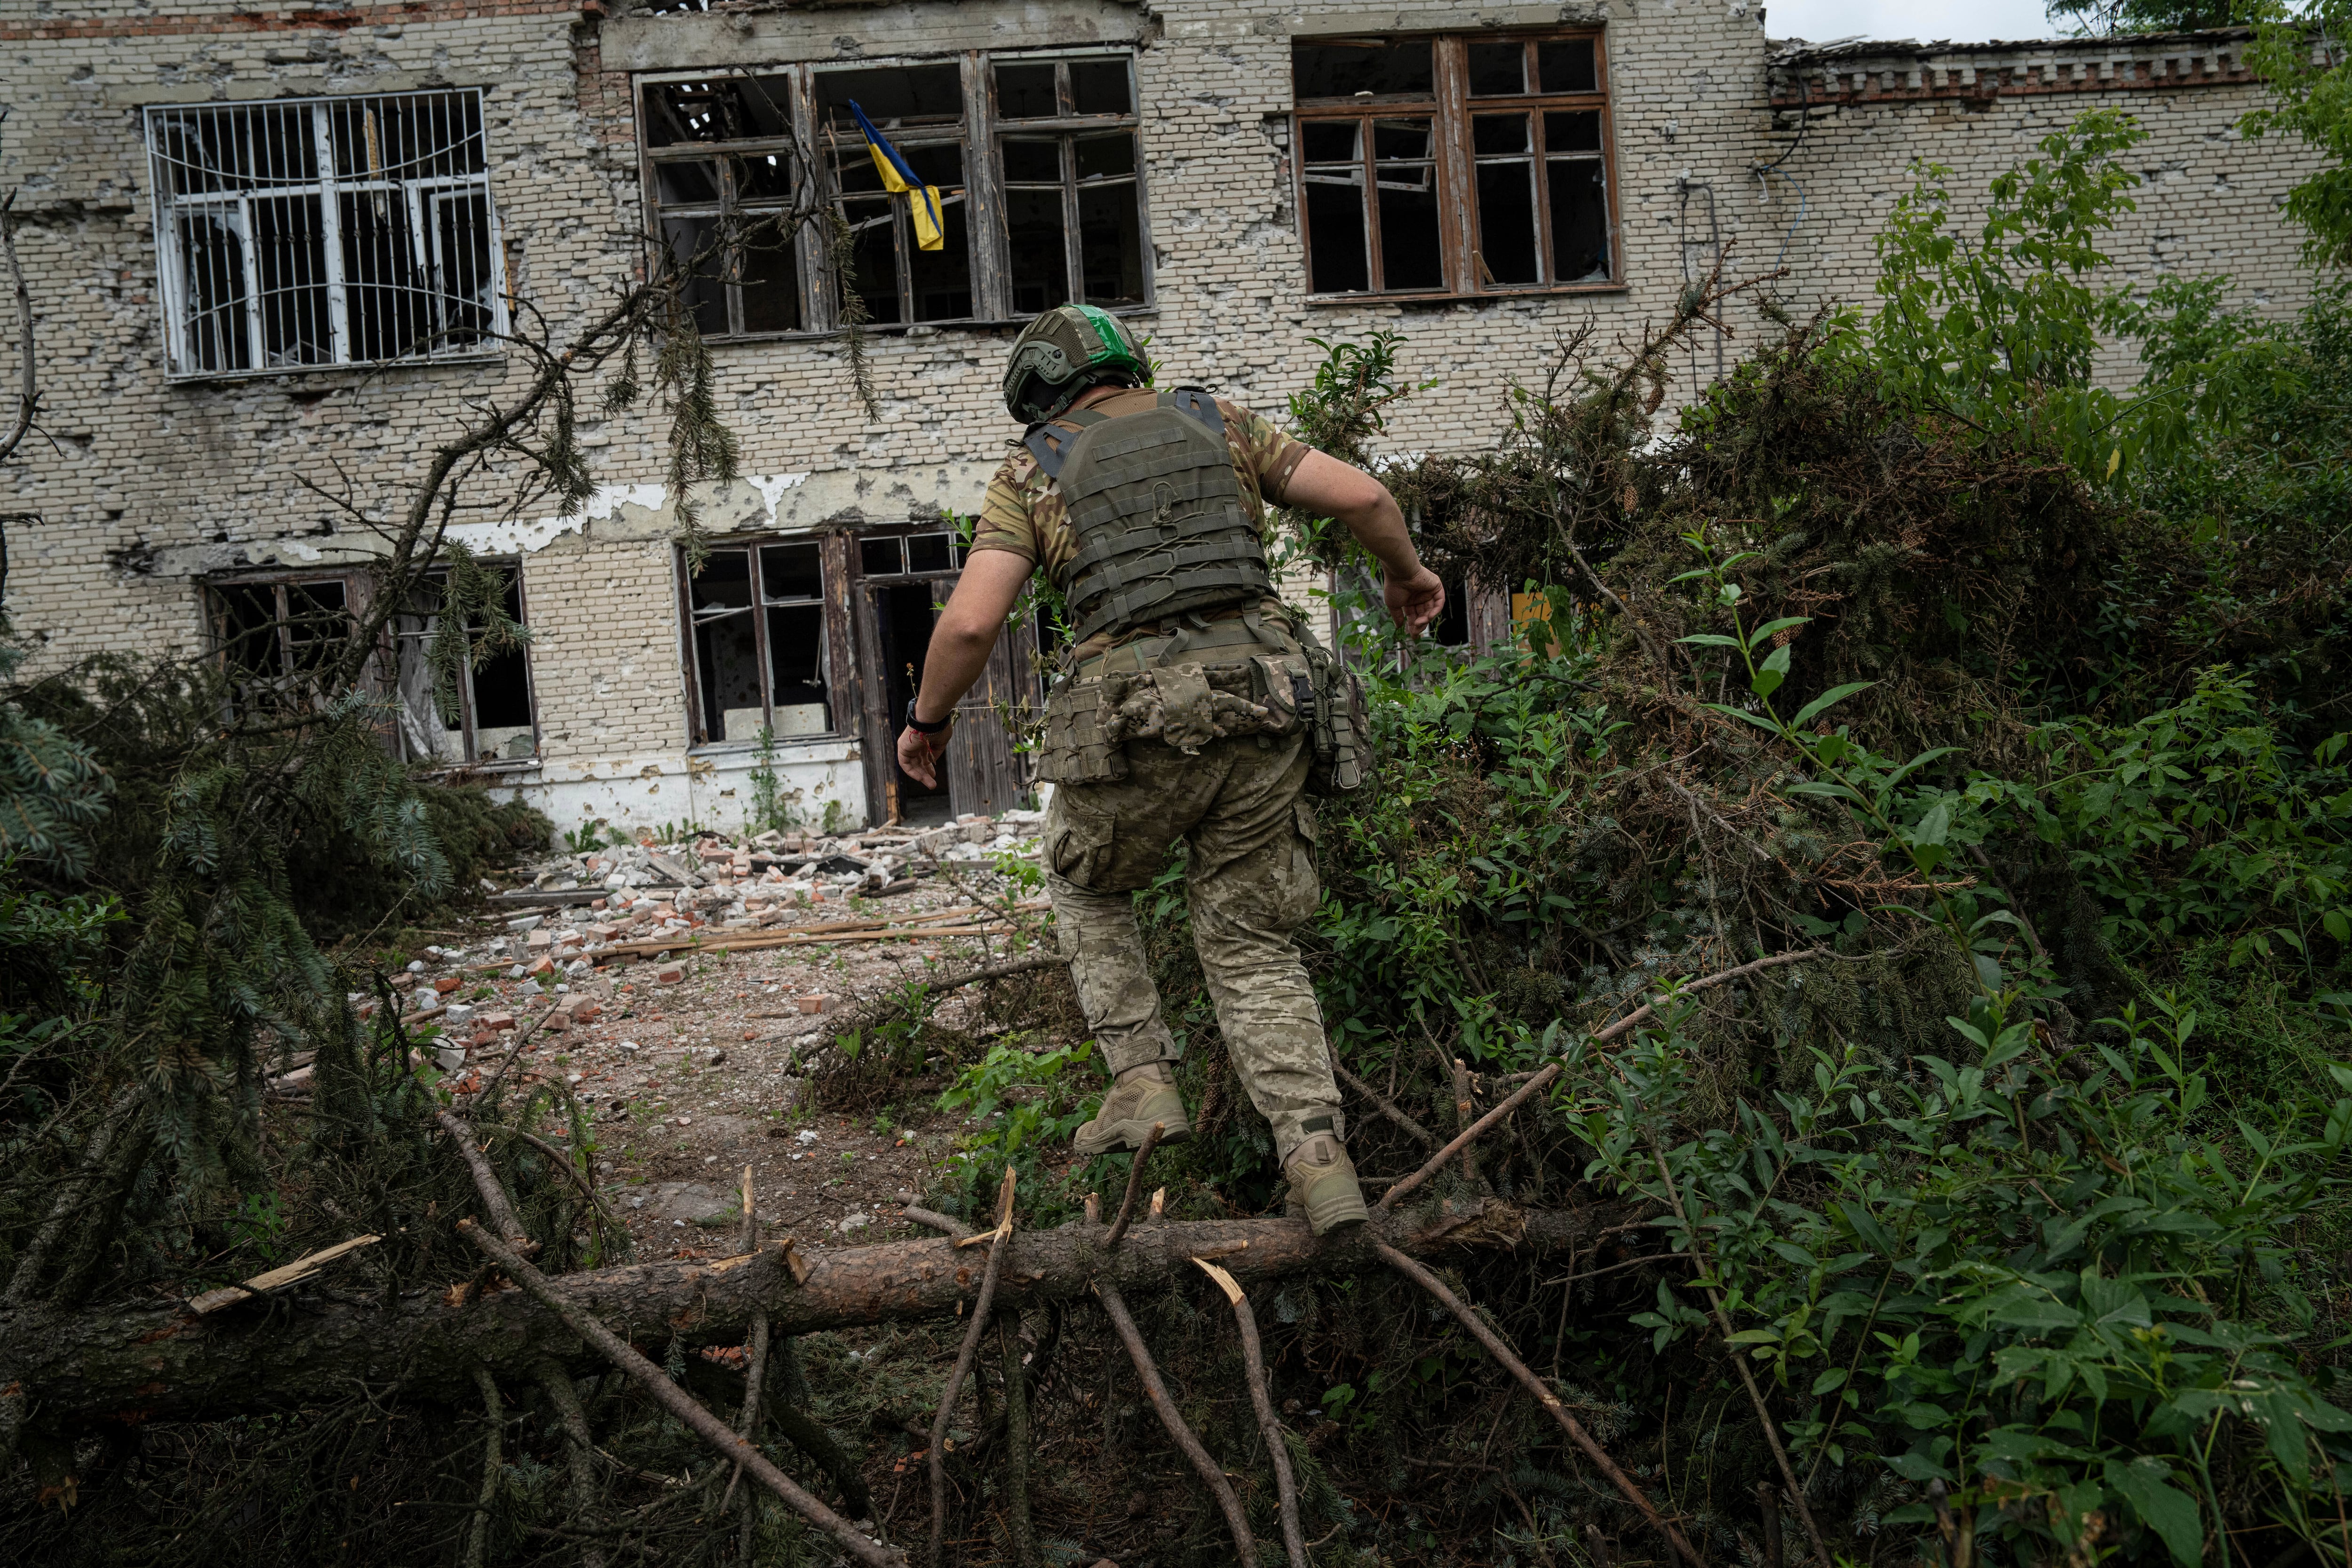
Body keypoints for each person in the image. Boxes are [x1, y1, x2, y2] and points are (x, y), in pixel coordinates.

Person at [895, 304, 1444, 1235]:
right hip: (1272, 710)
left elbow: (972, 623)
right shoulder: (1219, 421)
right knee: (1248, 937)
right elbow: (1364, 500)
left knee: (1082, 877)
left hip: (1140, 721)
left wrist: (926, 723)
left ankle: (1144, 1082)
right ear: (1128, 362)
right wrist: (1406, 574)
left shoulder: (1034, 467)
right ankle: (1316, 1156)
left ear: (1037, 394)